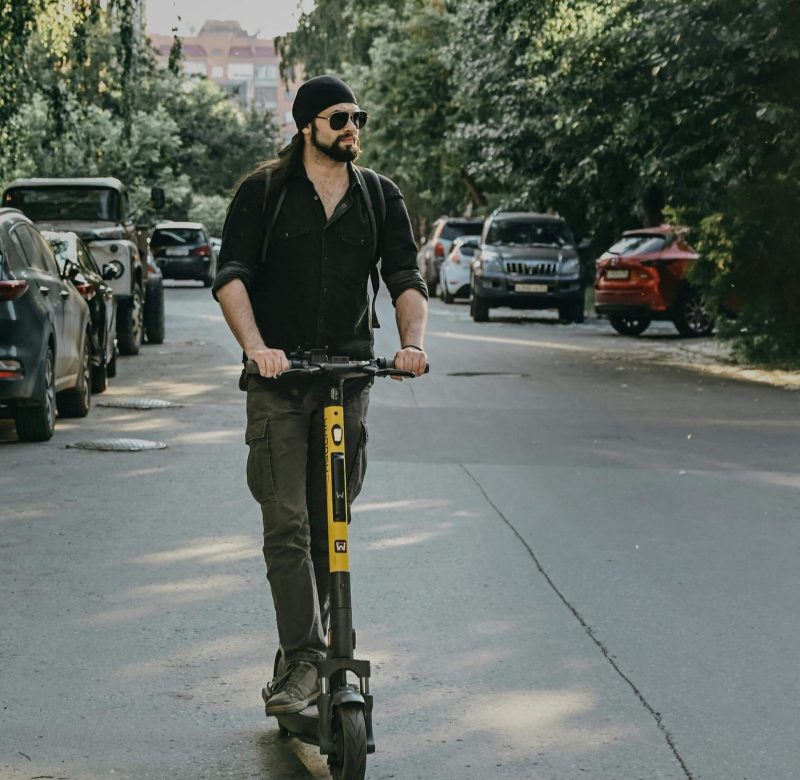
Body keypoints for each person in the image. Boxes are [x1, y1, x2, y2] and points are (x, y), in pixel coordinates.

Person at [213, 75, 428, 715]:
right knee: (286, 525)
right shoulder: (264, 192)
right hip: (279, 384)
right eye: (339, 118)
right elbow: (231, 278)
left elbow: (405, 279)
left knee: (329, 524)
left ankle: (312, 653)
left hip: (346, 381)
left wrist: (411, 344)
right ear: (307, 126)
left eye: (357, 117)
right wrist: (257, 347)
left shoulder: (378, 196)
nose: (352, 128)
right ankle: (306, 660)